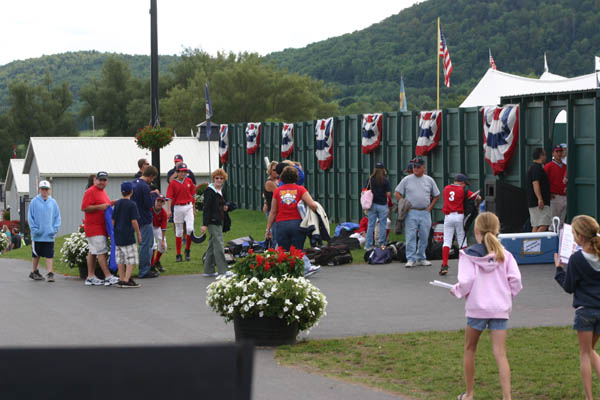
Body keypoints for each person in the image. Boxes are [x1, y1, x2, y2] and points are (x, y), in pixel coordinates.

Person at [451, 212, 522, 400]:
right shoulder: (505, 255)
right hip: (499, 308)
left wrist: (457, 290)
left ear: (476, 231)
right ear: (497, 230)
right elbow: (516, 281)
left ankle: (469, 394)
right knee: (501, 354)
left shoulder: (468, 255)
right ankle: (507, 397)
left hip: (477, 309)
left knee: (470, 349)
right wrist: (507, 296)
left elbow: (466, 281)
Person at [554, 215, 600, 400]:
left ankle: (589, 397)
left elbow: (569, 287)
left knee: (585, 355)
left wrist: (559, 270)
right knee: (591, 350)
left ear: (580, 237)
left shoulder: (576, 259)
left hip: (585, 311)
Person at [394, 157, 440, 267]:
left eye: (418, 167)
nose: (416, 169)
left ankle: (421, 257)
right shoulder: (407, 179)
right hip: (411, 212)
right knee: (410, 236)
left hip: (425, 212)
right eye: (414, 167)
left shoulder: (429, 180)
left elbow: (437, 195)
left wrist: (430, 207)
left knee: (424, 236)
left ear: (424, 168)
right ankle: (410, 258)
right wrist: (404, 204)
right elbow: (397, 193)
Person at [81, 171, 120, 286]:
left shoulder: (103, 192)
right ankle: (108, 276)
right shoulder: (90, 191)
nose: (102, 182)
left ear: (107, 181)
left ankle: (90, 276)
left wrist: (112, 203)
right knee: (102, 252)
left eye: (104, 180)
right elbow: (84, 207)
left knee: (93, 252)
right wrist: (100, 207)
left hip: (101, 227)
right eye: (100, 180)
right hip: (94, 227)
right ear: (96, 180)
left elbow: (105, 205)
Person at [266, 166, 318, 251]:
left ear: (282, 177)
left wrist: (268, 229)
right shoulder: (301, 189)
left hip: (281, 224)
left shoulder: (277, 191)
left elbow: (273, 212)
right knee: (297, 251)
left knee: (284, 252)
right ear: (296, 177)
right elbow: (312, 205)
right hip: (297, 224)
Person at [440, 174, 481, 276]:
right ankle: (464, 266)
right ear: (462, 183)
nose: (465, 186)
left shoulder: (446, 188)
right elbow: (478, 197)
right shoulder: (463, 190)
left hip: (448, 216)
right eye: (464, 184)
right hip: (459, 216)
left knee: (447, 241)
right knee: (462, 240)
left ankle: (444, 265)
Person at [27, 180, 61, 282]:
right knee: (36, 254)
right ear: (39, 190)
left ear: (49, 190)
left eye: (46, 189)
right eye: (42, 189)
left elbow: (57, 217)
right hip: (37, 234)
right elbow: (30, 217)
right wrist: (34, 229)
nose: (44, 191)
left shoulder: (53, 202)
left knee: (49, 254)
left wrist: (54, 229)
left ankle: (50, 273)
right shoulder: (34, 202)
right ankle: (34, 271)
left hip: (49, 234)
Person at [112, 182, 142, 288]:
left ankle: (121, 278)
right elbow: (134, 221)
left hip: (118, 234)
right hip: (128, 235)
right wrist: (138, 234)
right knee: (131, 258)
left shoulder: (117, 203)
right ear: (131, 191)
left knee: (120, 258)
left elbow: (113, 220)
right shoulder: (132, 204)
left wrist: (114, 230)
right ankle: (126, 279)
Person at [201, 168, 230, 277]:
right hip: (213, 221)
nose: (219, 180)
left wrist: (225, 207)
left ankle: (208, 270)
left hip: (219, 220)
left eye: (221, 178)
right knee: (219, 244)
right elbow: (206, 208)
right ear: (213, 179)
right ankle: (223, 269)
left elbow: (219, 205)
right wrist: (205, 224)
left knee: (212, 245)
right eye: (217, 178)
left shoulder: (220, 191)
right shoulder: (210, 191)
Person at [132, 165, 160, 279]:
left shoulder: (134, 182)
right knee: (146, 245)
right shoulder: (144, 186)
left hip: (135, 217)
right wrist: (154, 195)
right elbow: (148, 204)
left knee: (141, 244)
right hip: (144, 218)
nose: (152, 181)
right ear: (151, 175)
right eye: (153, 178)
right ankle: (144, 270)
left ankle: (142, 268)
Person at [166, 163, 196, 262]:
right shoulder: (173, 183)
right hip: (178, 207)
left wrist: (194, 208)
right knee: (179, 231)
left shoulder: (189, 181)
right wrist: (169, 210)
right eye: (181, 171)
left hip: (188, 206)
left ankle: (187, 250)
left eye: (185, 171)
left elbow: (193, 196)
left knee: (190, 229)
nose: (183, 173)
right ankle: (178, 254)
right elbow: (169, 197)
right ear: (177, 172)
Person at [364, 162, 391, 250]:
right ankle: (381, 244)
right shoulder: (385, 180)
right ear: (383, 169)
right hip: (382, 204)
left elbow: (365, 190)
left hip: (372, 204)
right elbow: (388, 194)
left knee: (371, 225)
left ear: (375, 169)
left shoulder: (370, 179)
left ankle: (368, 245)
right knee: (382, 225)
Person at [526, 147, 551, 232]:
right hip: (539, 202)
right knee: (544, 224)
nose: (546, 157)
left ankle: (533, 240)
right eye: (544, 155)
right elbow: (535, 183)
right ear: (541, 156)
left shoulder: (533, 168)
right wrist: (540, 198)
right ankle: (537, 239)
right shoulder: (537, 168)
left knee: (536, 225)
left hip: (533, 201)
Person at [544, 145, 567, 228]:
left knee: (562, 222)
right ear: (553, 153)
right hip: (554, 196)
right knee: (553, 222)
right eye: (557, 152)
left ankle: (559, 236)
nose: (559, 153)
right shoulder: (548, 166)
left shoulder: (565, 166)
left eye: (560, 151)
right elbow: (543, 182)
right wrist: (548, 193)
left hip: (564, 196)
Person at [151, 194, 168, 273]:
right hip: (150, 227)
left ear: (164, 203)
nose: (159, 203)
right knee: (153, 245)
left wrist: (163, 241)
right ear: (155, 201)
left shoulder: (164, 213)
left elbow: (163, 227)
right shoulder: (150, 209)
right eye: (158, 201)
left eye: (161, 202)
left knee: (164, 246)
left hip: (158, 228)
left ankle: (156, 261)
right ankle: (151, 266)